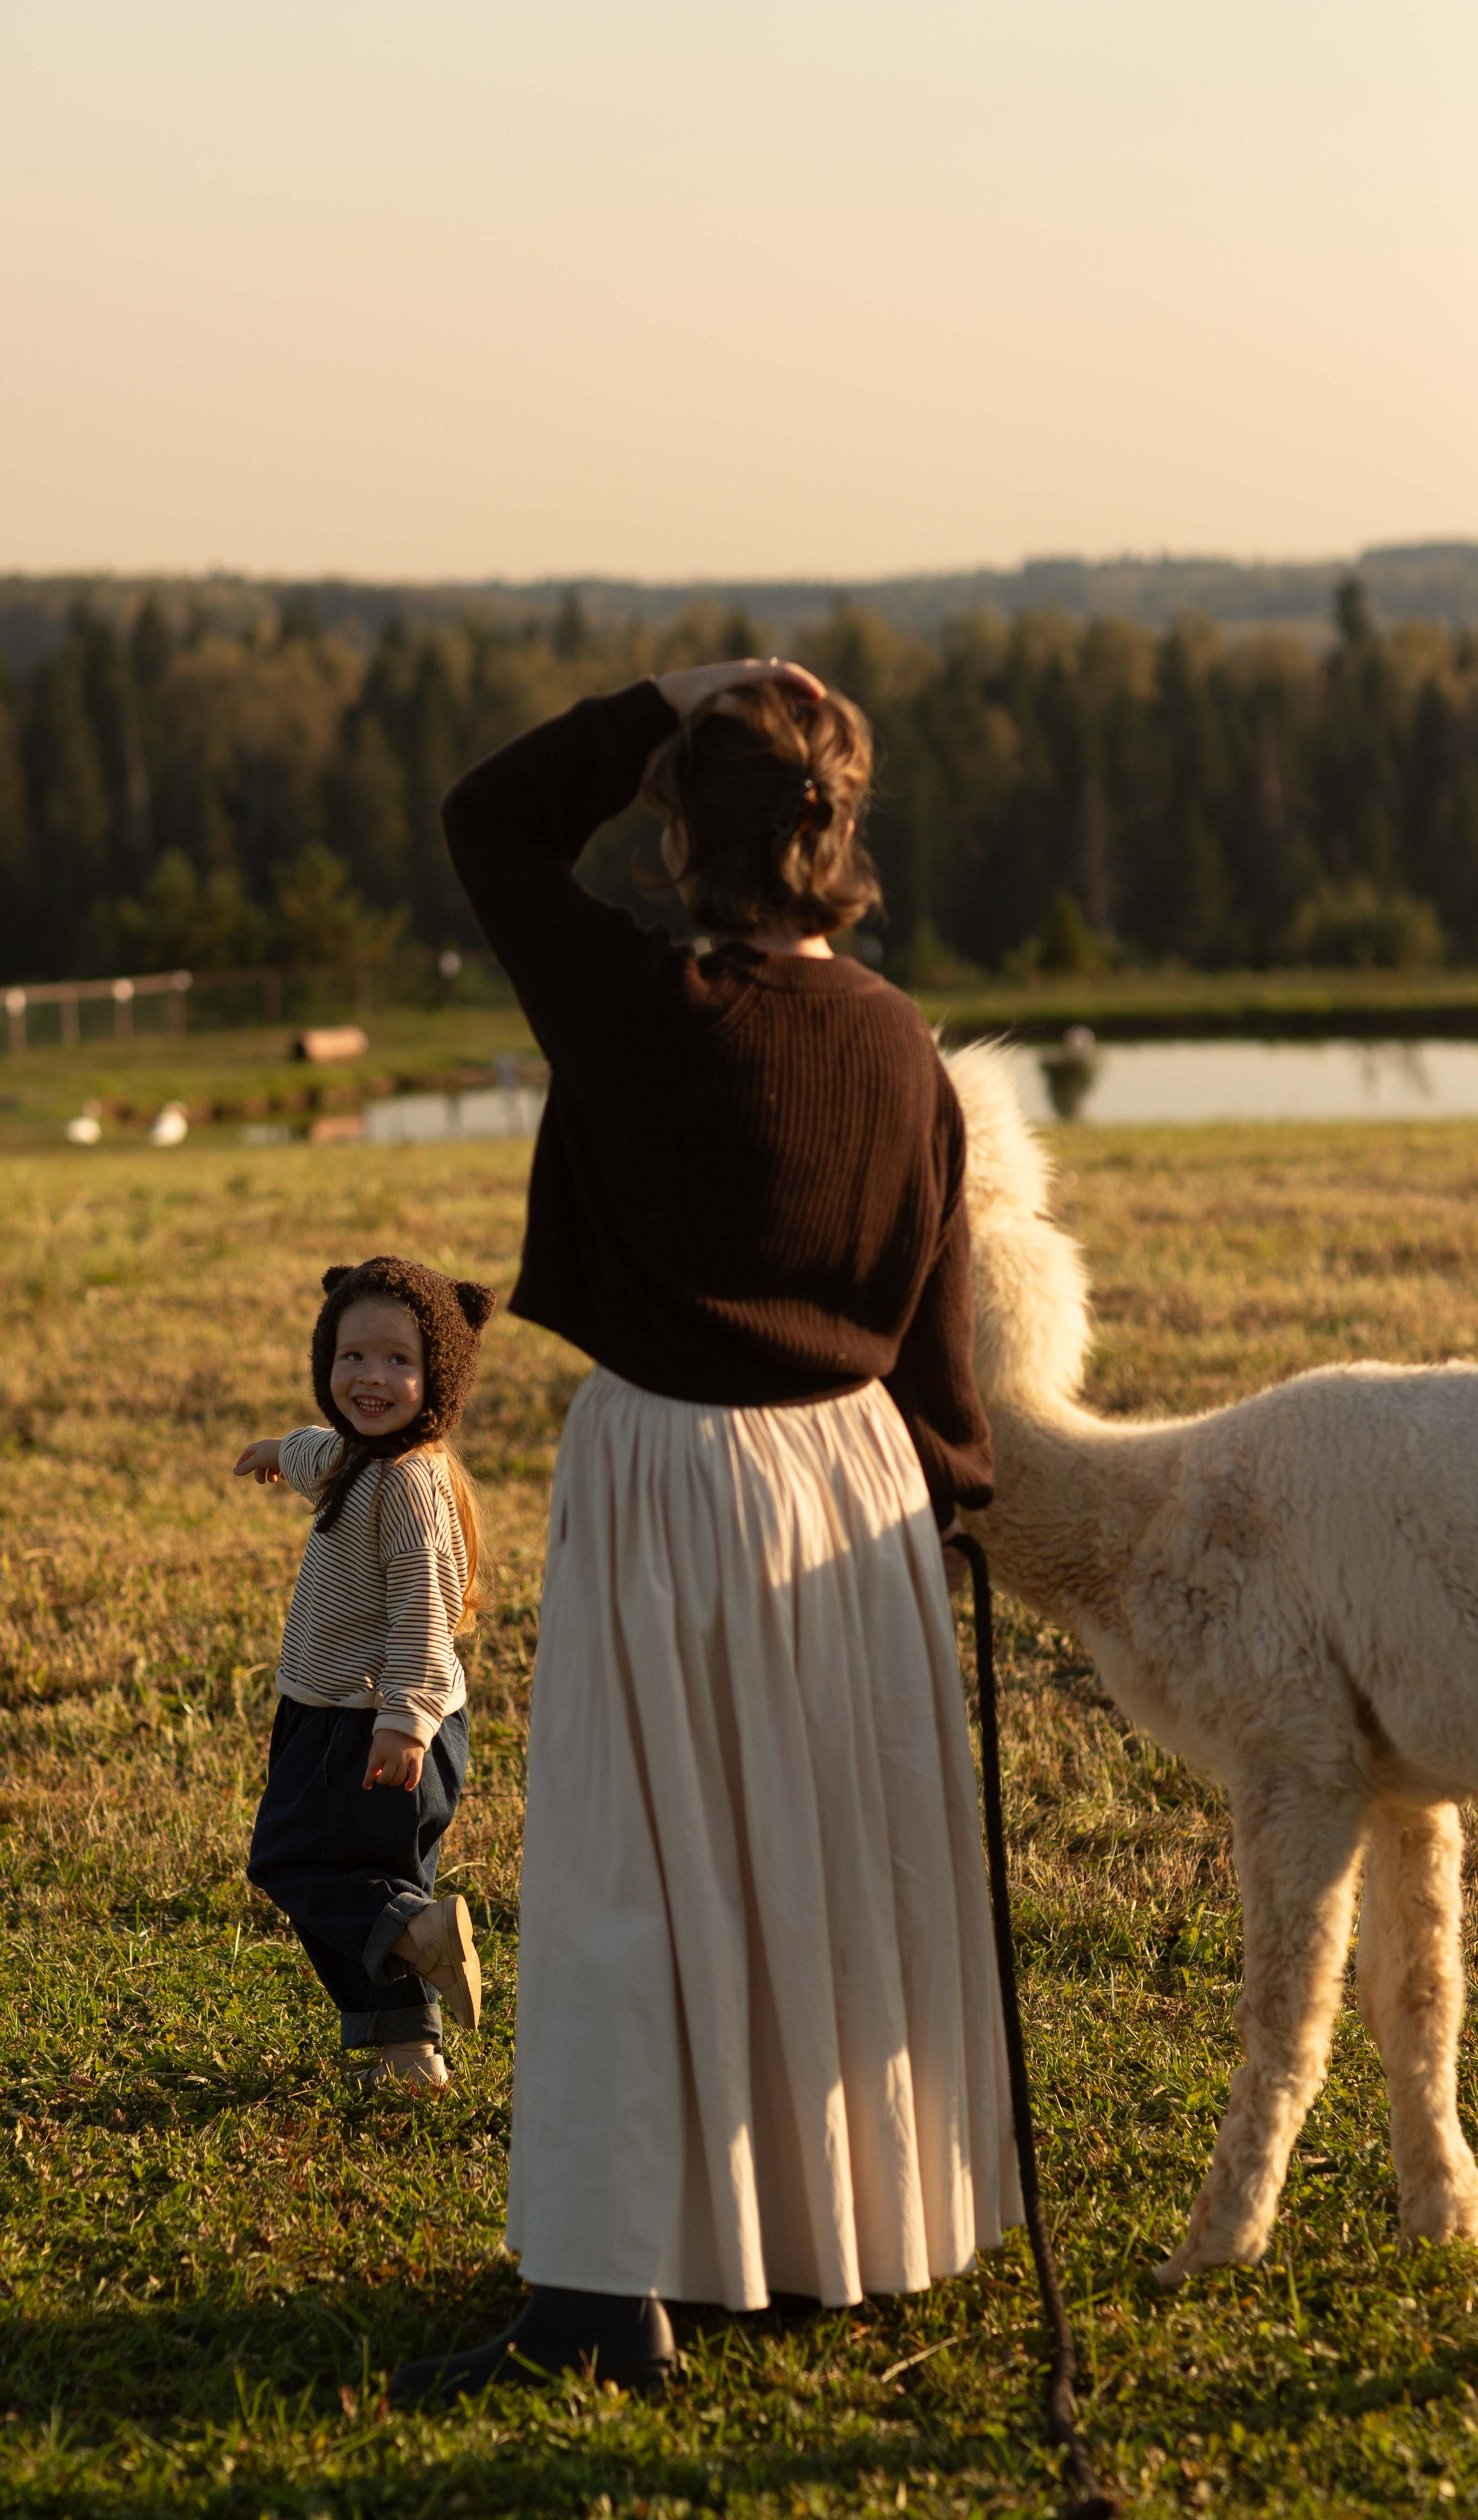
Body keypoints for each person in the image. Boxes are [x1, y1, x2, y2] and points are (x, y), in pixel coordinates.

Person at [390, 657, 1020, 2397]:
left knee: (632, 1867)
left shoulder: (635, 997)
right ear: (835, 839)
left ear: (679, 841)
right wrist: (951, 1492)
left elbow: (488, 818)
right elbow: (936, 1310)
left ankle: (603, 2298)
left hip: (675, 1465)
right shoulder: (898, 1037)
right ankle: (824, 2239)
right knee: (822, 1854)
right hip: (861, 1483)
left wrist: (656, 691)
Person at [234, 1256, 494, 2090]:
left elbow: (426, 1614)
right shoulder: (354, 1455)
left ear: (438, 1379)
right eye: (352, 1357)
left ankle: (415, 1928)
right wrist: (280, 1449)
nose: (370, 1377)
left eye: (398, 1361)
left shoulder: (410, 1487)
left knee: (296, 1861)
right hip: (340, 1710)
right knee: (379, 1884)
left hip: (371, 1719)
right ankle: (407, 2053)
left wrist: (404, 1720)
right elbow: (318, 1453)